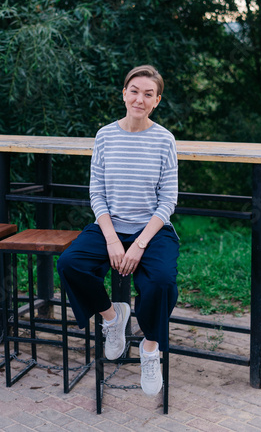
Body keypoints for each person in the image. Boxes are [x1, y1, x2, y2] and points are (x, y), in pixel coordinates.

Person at [57, 64, 180, 396]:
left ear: (157, 101)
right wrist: (112, 239)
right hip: (110, 226)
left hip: (152, 230)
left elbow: (168, 200)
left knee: (163, 281)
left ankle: (150, 348)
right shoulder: (105, 135)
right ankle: (113, 318)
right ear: (124, 94)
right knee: (70, 263)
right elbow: (97, 193)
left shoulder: (164, 139)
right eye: (134, 91)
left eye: (148, 94)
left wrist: (138, 244)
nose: (140, 99)